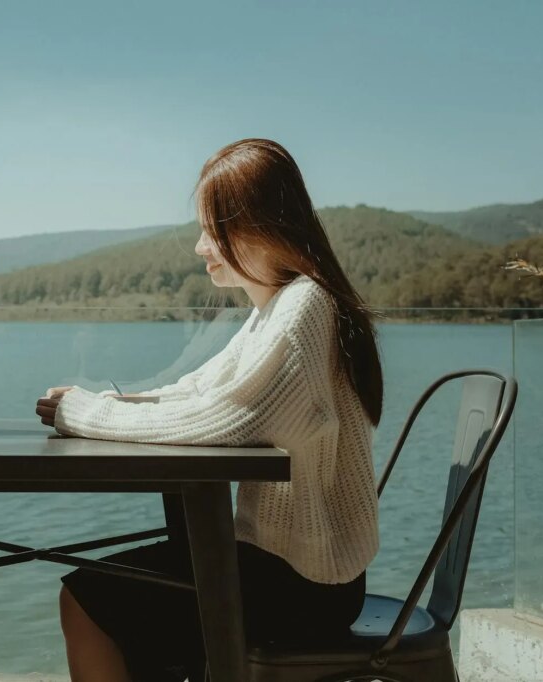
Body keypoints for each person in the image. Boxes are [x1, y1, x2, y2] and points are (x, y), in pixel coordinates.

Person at [35, 138, 382, 682]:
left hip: (304, 584)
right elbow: (199, 393)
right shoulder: (278, 307)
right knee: (120, 597)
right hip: (292, 567)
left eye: (212, 229)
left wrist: (84, 415)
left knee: (87, 600)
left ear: (259, 226)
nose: (200, 247)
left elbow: (230, 420)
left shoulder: (305, 306)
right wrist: (101, 404)